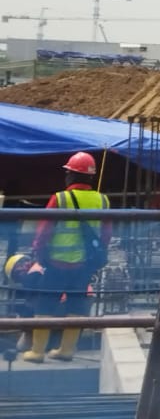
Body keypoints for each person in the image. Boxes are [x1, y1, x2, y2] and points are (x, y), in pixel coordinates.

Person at [26, 152, 111, 363]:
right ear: (90, 177)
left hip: (55, 263)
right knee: (76, 307)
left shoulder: (60, 198)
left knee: (45, 305)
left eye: (68, 173)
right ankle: (66, 350)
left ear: (71, 175)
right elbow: (106, 235)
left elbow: (44, 231)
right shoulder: (103, 200)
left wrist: (39, 253)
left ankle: (37, 352)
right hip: (83, 265)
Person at [3, 253, 47, 353]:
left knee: (21, 347)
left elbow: (35, 303)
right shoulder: (40, 266)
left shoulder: (31, 277)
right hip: (64, 305)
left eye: (17, 276)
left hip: (51, 312)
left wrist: (23, 318)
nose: (20, 280)